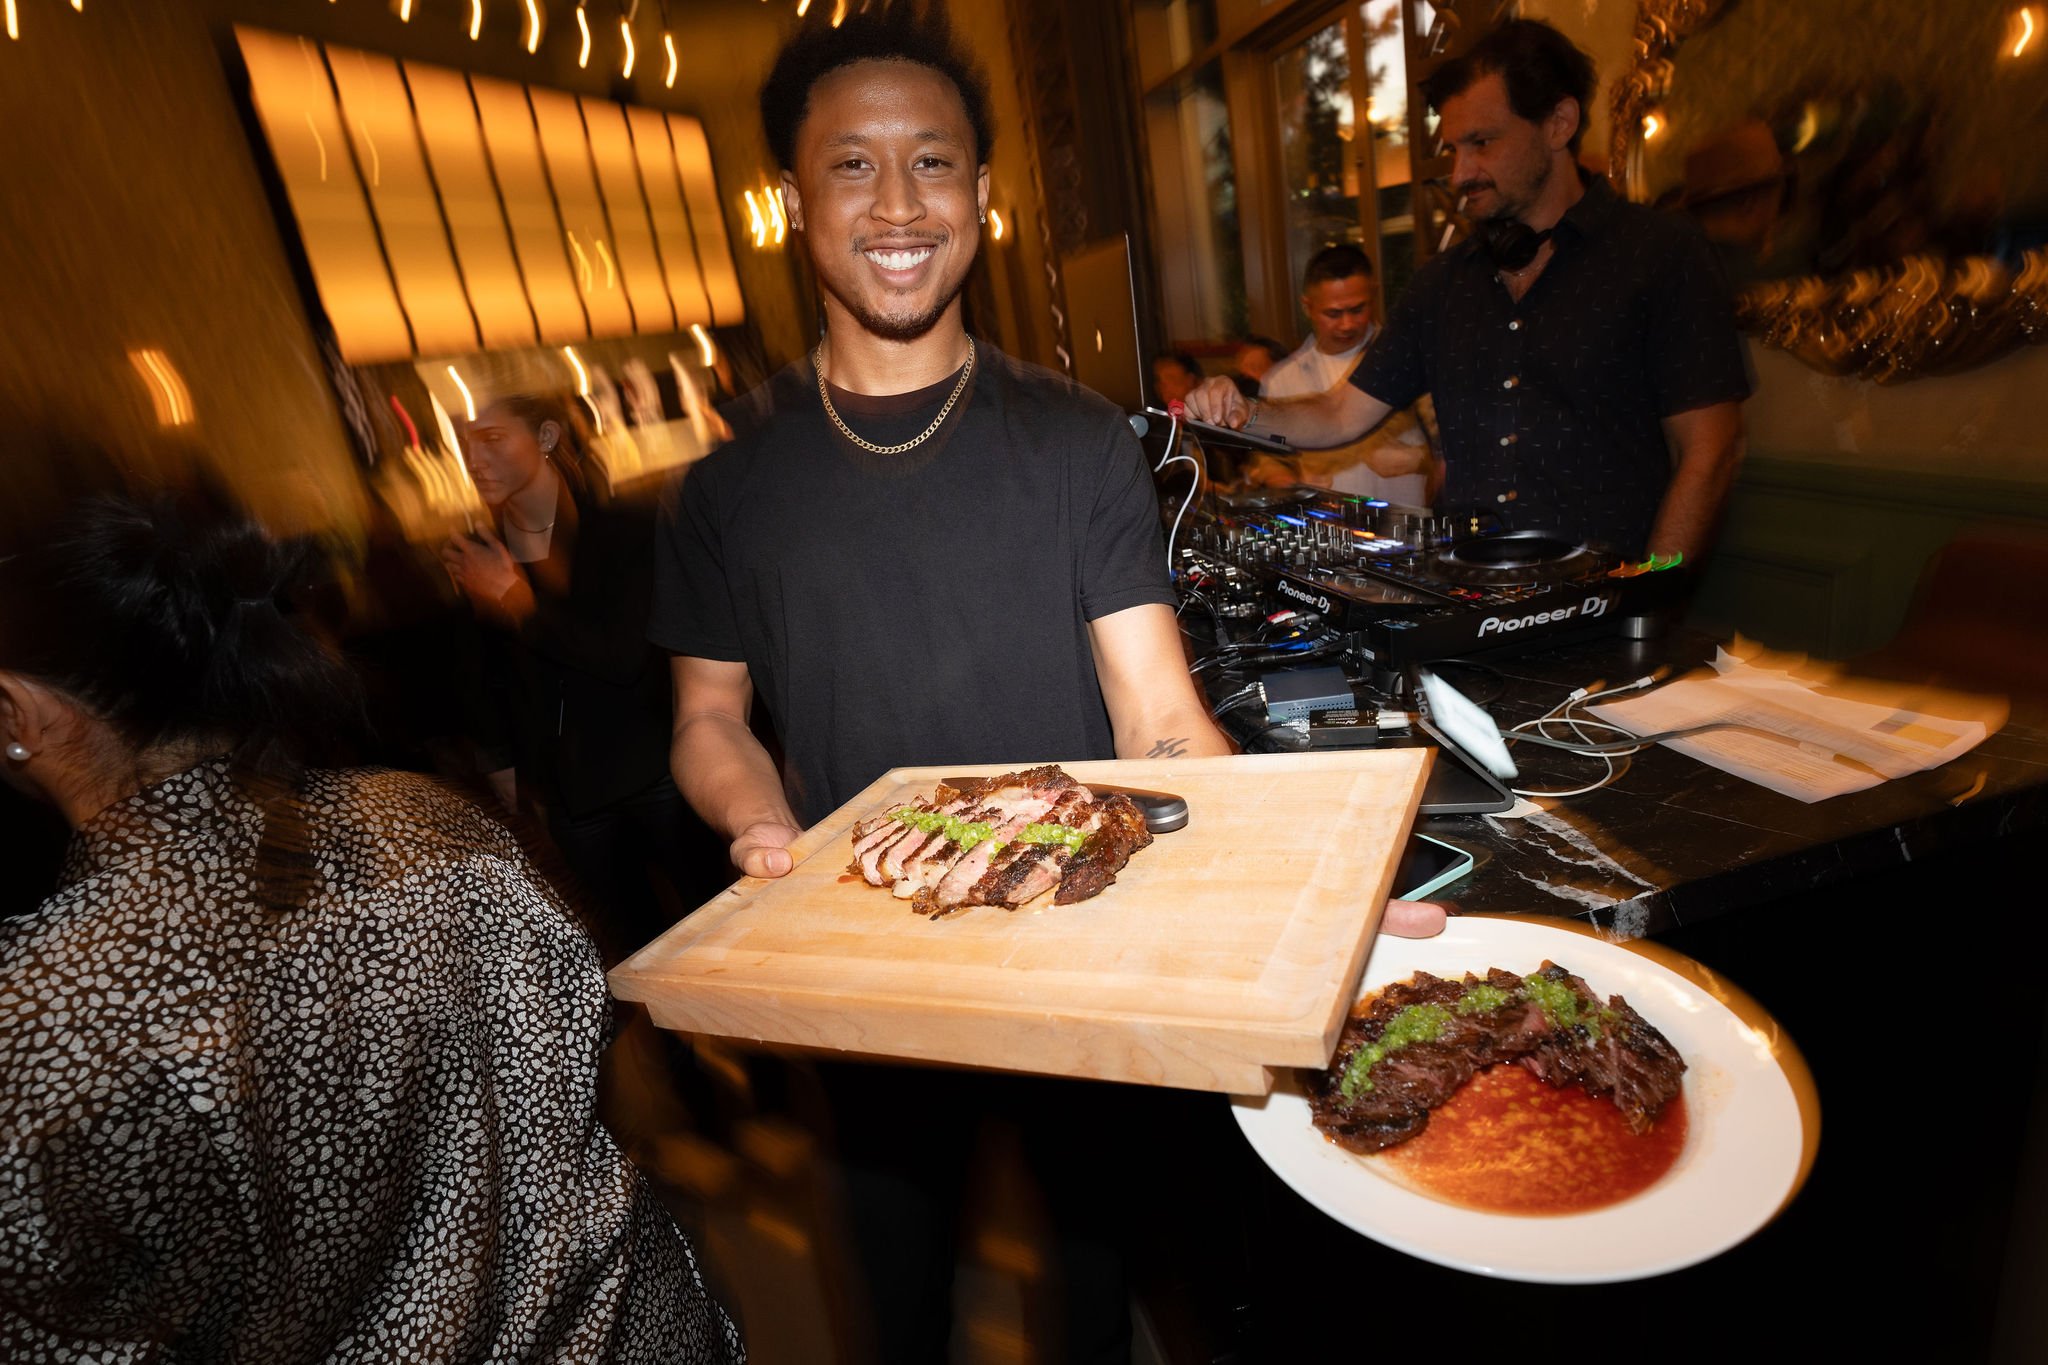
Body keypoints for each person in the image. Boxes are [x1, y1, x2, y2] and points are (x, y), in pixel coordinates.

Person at [649, 7, 1442, 1362]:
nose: (898, 203)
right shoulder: (730, 485)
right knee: (893, 1311)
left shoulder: (1079, 442)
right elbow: (708, 715)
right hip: (867, 968)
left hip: (1081, 949)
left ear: (981, 194)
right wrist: (756, 820)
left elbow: (1157, 715)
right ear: (793, 200)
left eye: (932, 162)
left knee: (1089, 1303)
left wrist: (1301, 897)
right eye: (852, 165)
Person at [0, 465, 742, 1362]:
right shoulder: (430, 822)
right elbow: (578, 1057)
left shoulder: (44, 1013)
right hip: (639, 1329)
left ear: (19, 711)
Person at [1186, 18, 1751, 561]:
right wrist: (1243, 412)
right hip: (1470, 600)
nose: (1460, 174)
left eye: (1482, 142)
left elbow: (1711, 450)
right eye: (1454, 149)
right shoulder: (1441, 284)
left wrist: (1651, 592)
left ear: (1559, 123)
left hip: (1606, 605)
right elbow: (1339, 413)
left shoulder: (1660, 254)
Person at [440, 393, 720, 961]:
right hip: (571, 796)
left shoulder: (626, 530)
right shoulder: (482, 551)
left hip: (655, 770)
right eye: (466, 442)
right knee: (632, 951)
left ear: (545, 438)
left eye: (492, 438)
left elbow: (621, 656)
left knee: (716, 920)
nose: (474, 458)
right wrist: (502, 765)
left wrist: (515, 601)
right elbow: (482, 674)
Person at [1244, 245, 1435, 505]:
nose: (1347, 324)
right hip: (1330, 525)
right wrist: (1290, 481)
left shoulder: (1408, 360)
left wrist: (1418, 459)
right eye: (1333, 313)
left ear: (1374, 294)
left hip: (1406, 521)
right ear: (1307, 306)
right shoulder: (1281, 380)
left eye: (1357, 309)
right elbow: (1268, 459)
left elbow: (1465, 446)